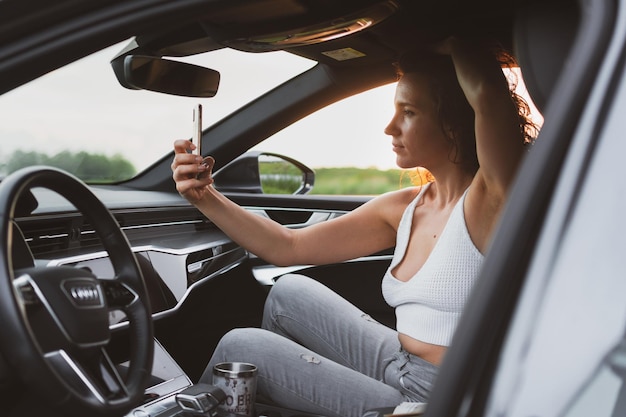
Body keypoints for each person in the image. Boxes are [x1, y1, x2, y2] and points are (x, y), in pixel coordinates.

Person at [171, 37, 537, 417]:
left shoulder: (490, 200)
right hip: (400, 360)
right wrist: (204, 196)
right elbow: (288, 247)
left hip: (440, 396)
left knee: (241, 346)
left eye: (408, 112)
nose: (389, 127)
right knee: (289, 292)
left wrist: (452, 36)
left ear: (455, 124)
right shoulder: (407, 206)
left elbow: (489, 95)